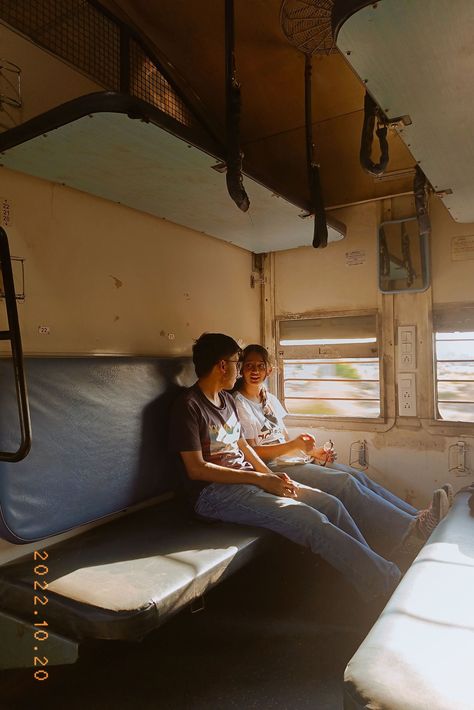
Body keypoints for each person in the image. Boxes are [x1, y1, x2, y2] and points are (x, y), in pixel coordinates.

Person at [169, 333, 448, 603]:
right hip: (214, 494)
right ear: (222, 365)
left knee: (330, 504)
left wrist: (270, 477)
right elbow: (197, 469)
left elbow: (244, 447)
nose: (240, 369)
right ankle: (385, 582)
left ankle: (383, 560)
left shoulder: (226, 400)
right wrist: (262, 480)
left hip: (249, 480)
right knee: (311, 521)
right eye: (237, 362)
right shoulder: (188, 406)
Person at [233, 344, 453, 524]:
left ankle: (418, 515)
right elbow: (254, 453)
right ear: (241, 370)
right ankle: (414, 527)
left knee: (357, 475)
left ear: (268, 370)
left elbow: (284, 437)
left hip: (289, 461)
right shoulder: (239, 403)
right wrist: (294, 447)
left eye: (260, 366)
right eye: (249, 366)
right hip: (270, 468)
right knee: (344, 483)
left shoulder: (269, 399)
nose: (254, 371)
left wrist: (313, 454)